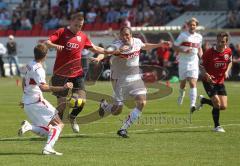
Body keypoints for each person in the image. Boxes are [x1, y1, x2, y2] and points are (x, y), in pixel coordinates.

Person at [91, 27, 170, 138]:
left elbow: (145, 46)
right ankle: (105, 105)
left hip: (135, 78)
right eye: (122, 35)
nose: (125, 37)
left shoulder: (137, 41)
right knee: (116, 111)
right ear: (119, 36)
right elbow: (105, 52)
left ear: (131, 35)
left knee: (142, 103)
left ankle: (123, 129)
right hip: (119, 79)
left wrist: (159, 45)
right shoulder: (116, 45)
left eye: (127, 35)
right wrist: (99, 58)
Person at [45, 12, 115, 133]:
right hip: (60, 74)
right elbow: (47, 42)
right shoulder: (62, 32)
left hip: (77, 74)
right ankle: (52, 131)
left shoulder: (83, 36)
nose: (78, 27)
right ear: (71, 22)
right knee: (61, 107)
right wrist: (55, 46)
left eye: (81, 25)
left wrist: (108, 52)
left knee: (81, 102)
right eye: (76, 25)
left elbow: (94, 48)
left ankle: (72, 117)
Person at [18, 43, 73, 155]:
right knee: (59, 125)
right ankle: (48, 148)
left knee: (50, 129)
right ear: (45, 55)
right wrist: (63, 87)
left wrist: (24, 97)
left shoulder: (30, 64)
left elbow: (24, 81)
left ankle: (30, 127)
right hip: (37, 102)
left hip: (29, 102)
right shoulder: (39, 69)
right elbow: (43, 87)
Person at [196, 32, 232, 132]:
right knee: (216, 102)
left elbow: (230, 62)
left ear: (226, 42)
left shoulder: (228, 51)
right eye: (219, 41)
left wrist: (227, 71)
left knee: (223, 106)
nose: (220, 43)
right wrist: (206, 75)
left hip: (220, 81)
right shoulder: (208, 52)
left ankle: (204, 101)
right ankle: (217, 126)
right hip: (209, 81)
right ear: (216, 40)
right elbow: (201, 66)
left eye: (223, 42)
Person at [173, 17, 203, 112]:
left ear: (196, 26)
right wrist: (184, 50)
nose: (192, 26)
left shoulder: (199, 37)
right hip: (183, 61)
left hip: (194, 61)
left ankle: (192, 105)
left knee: (192, 82)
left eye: (194, 25)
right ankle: (181, 95)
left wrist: (202, 58)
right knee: (182, 83)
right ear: (188, 26)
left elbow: (199, 48)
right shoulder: (183, 35)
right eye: (190, 25)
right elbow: (174, 46)